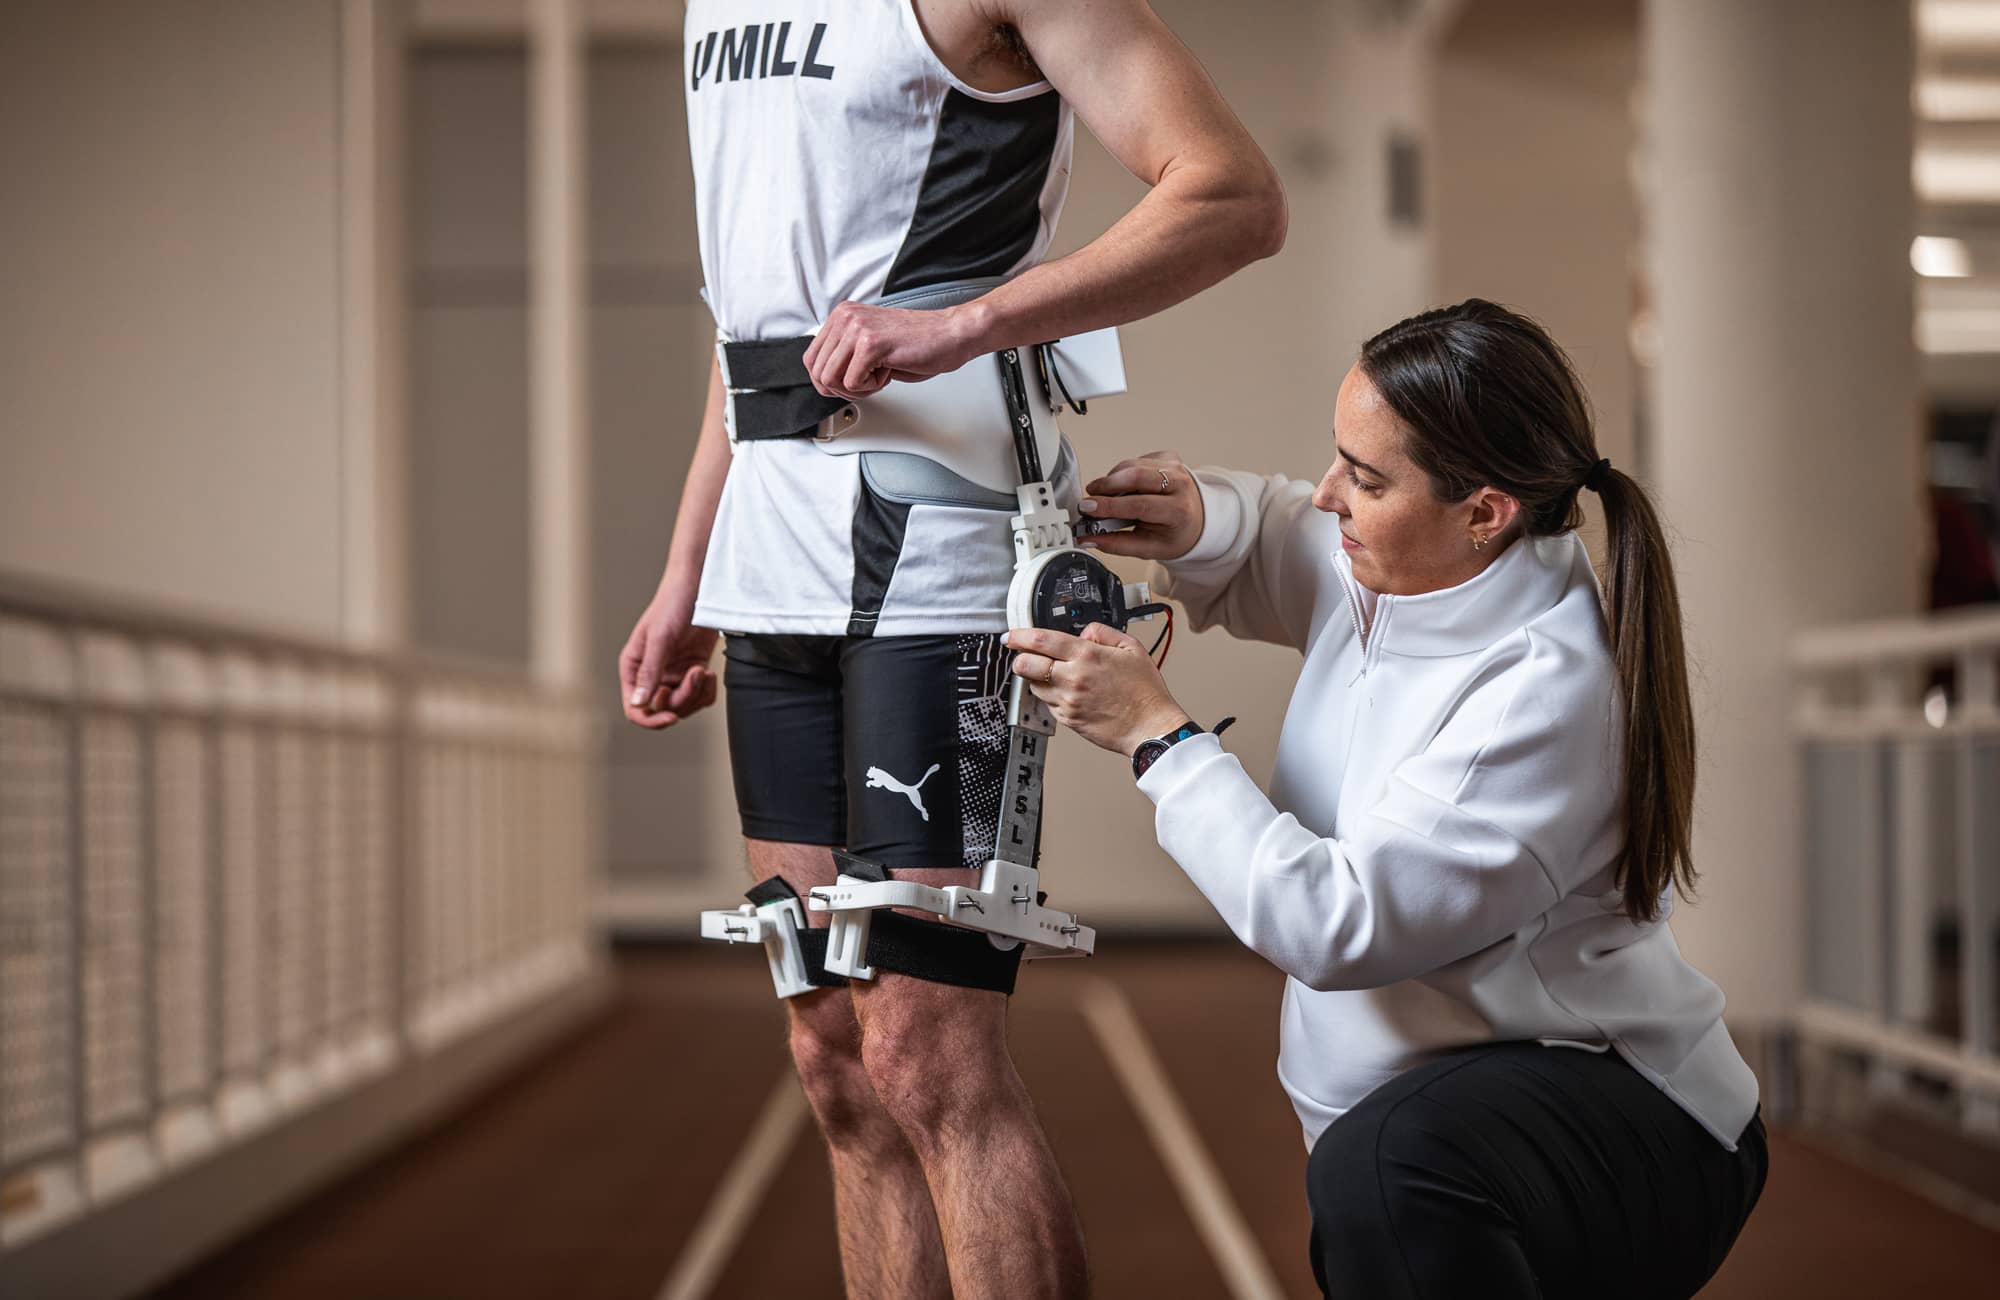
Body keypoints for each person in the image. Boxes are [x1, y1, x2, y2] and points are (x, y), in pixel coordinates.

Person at [617, 2, 1286, 1295]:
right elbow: (744, 323)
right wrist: (685, 571)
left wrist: (975, 320)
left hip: (937, 549)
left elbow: (1236, 194)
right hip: (770, 559)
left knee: (927, 1050)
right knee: (833, 1057)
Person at [1007, 299, 1768, 1298]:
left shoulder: (1542, 692)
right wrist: (1201, 517)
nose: (1330, 495)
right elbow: (1281, 524)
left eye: (1363, 478)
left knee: (1385, 1171)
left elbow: (1338, 925)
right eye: (1338, 458)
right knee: (1381, 1170)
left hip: (1619, 1117)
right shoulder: (1404, 557)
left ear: (1485, 509)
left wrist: (1160, 737)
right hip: (1451, 1123)